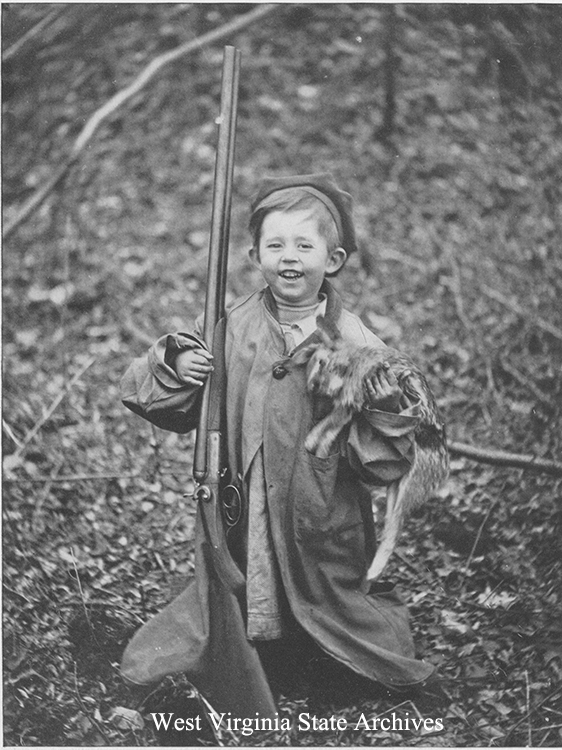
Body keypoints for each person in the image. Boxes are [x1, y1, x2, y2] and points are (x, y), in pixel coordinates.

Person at [120, 173, 437, 720]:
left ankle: (325, 651)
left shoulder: (356, 342)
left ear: (332, 260)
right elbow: (154, 395)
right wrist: (178, 365)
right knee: (245, 581)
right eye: (276, 245)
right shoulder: (230, 326)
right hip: (243, 504)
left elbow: (382, 457)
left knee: (330, 603)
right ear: (254, 254)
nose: (289, 258)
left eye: (304, 246)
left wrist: (384, 408)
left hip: (318, 512)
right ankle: (259, 646)